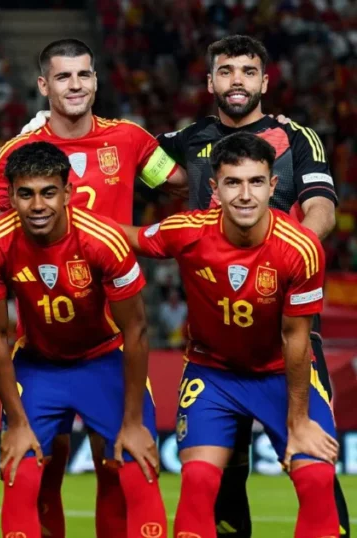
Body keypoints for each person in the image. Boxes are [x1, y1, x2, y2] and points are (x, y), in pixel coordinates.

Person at [0, 38, 184, 537]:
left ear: (96, 80)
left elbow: (180, 185)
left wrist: (139, 236)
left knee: (116, 463)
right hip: (42, 335)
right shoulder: (18, 152)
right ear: (43, 85)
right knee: (45, 465)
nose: (75, 85)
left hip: (107, 324)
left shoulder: (128, 140)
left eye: (83, 75)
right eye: (63, 77)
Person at [124, 132, 339, 538]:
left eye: (256, 182)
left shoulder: (301, 248)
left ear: (273, 185)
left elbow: (297, 338)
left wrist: (298, 421)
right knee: (199, 484)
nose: (245, 195)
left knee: (316, 481)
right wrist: (67, 219)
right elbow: (129, 237)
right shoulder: (188, 231)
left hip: (280, 375)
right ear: (214, 189)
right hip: (213, 374)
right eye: (233, 183)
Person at [0, 141, 166, 538]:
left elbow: (137, 329)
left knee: (134, 468)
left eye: (48, 192)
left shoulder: (105, 240)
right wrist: (18, 422)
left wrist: (132, 422)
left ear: (68, 193)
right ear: (10, 197)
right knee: (21, 474)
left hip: (104, 360)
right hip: (39, 366)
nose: (38, 205)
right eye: (25, 194)